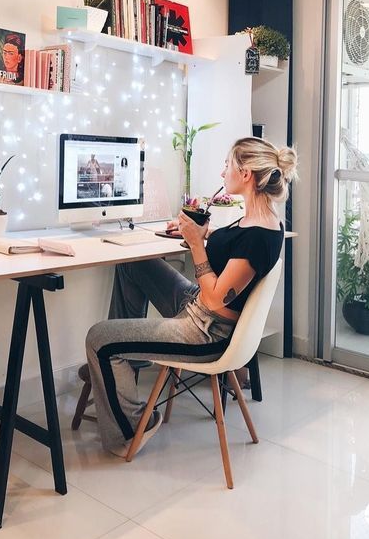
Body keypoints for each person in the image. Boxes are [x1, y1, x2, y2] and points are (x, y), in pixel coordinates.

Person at [85, 136, 298, 456]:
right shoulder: (260, 220)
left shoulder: (259, 236)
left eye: (227, 165)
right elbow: (232, 251)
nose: (222, 171)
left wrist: (197, 245)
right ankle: (125, 362)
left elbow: (214, 299)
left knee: (98, 338)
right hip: (197, 306)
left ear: (245, 175)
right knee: (133, 264)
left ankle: (129, 428)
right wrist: (200, 234)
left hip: (206, 331)